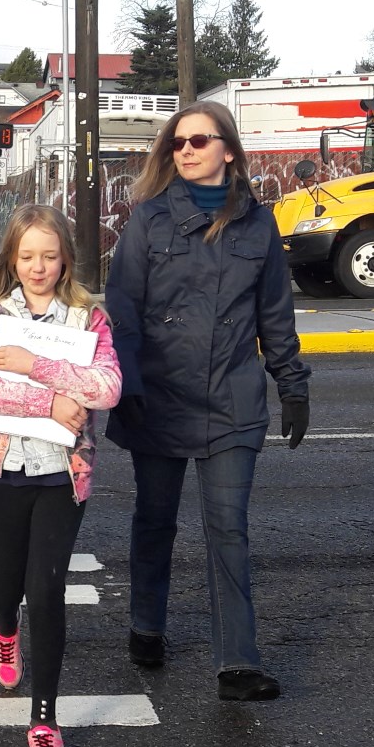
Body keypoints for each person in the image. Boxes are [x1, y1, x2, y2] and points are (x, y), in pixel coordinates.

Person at [105, 100, 310, 703]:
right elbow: (123, 311)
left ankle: (237, 664)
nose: (187, 150)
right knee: (155, 520)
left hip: (232, 400)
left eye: (200, 140)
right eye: (179, 143)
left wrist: (292, 385)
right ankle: (147, 624)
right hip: (159, 394)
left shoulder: (259, 226)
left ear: (229, 149)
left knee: (228, 527)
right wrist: (130, 386)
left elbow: (275, 315)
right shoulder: (147, 220)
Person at [0, 204, 121, 747]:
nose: (38, 267)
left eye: (50, 256)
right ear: (11, 259)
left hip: (63, 474)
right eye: (27, 256)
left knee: (46, 590)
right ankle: (5, 630)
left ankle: (45, 722)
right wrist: (46, 399)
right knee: (3, 587)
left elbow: (107, 387)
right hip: (6, 469)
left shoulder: (88, 320)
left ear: (66, 261)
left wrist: (38, 365)